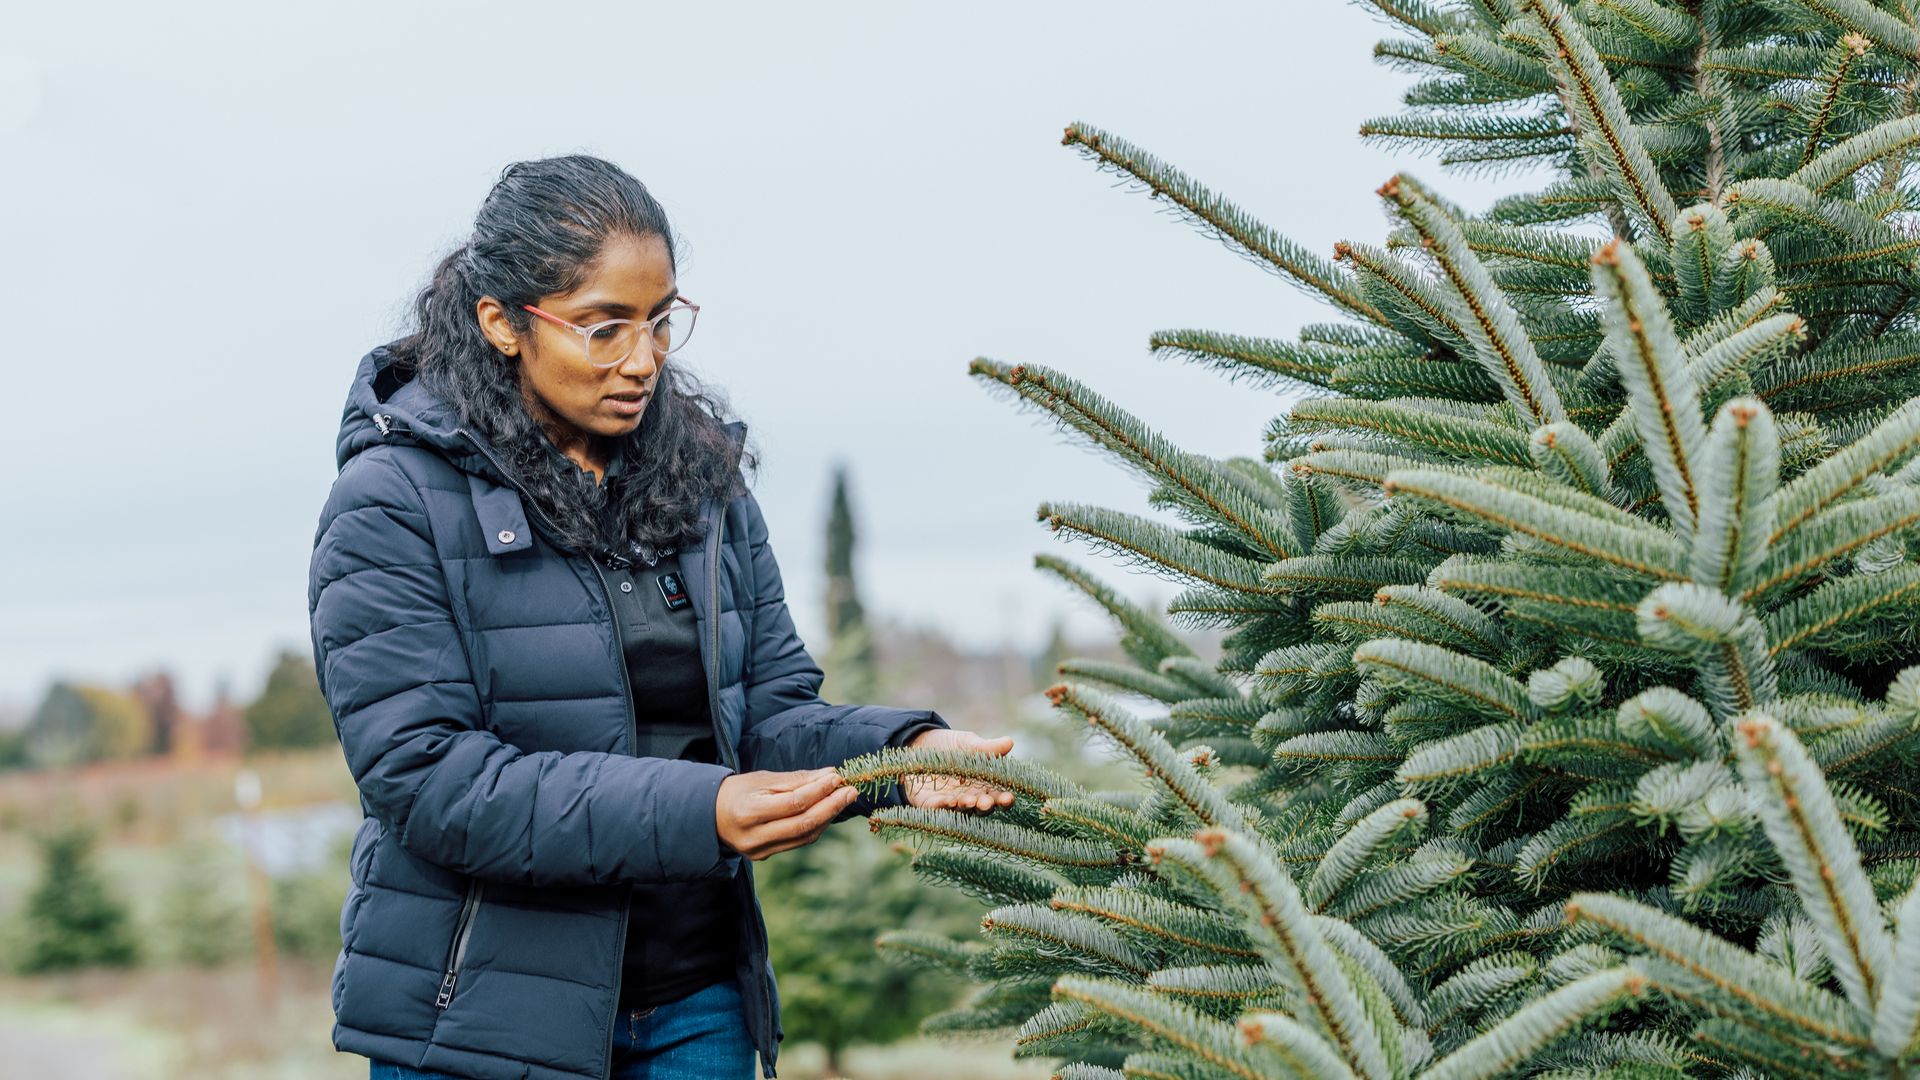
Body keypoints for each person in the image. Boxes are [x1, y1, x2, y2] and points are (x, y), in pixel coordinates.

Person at [307, 154, 1017, 1080]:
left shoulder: (703, 484)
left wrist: (902, 755)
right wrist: (705, 811)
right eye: (603, 329)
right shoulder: (392, 502)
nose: (642, 360)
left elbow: (765, 717)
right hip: (481, 1028)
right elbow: (433, 781)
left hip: (696, 1011)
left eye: (658, 321)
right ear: (502, 323)